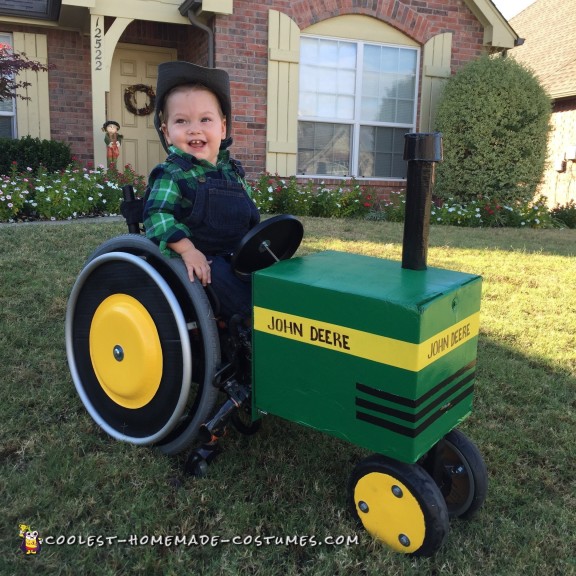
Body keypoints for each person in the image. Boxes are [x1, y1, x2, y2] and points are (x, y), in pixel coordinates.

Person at [143, 61, 260, 322]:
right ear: (167, 133)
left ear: (222, 127)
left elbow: (250, 217)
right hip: (201, 260)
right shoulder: (171, 173)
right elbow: (156, 217)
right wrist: (186, 250)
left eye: (205, 119)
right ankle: (249, 332)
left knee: (272, 282)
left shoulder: (233, 173)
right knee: (239, 298)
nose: (194, 128)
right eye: (182, 121)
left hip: (238, 255)